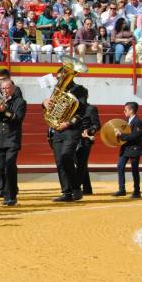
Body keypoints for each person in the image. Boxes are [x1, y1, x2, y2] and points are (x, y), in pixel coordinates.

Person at [43, 68, 87, 202]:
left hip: (71, 129)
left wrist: (68, 124)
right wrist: (44, 104)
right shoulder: (57, 90)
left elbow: (82, 111)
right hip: (57, 130)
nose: (59, 80)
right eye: (58, 78)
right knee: (59, 161)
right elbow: (50, 107)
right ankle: (67, 193)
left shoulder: (80, 90)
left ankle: (75, 187)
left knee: (66, 156)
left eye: (62, 77)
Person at [0, 79, 26, 206]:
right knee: (1, 168)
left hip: (12, 138)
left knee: (10, 166)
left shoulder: (20, 102)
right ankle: (5, 193)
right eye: (2, 89)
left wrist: (5, 111)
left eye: (7, 88)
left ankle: (11, 196)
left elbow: (17, 118)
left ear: (13, 88)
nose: (5, 91)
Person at [113, 102, 142, 198]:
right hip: (125, 148)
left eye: (125, 110)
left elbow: (135, 136)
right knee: (120, 166)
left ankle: (137, 192)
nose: (124, 111)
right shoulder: (126, 120)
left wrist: (121, 135)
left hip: (134, 149)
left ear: (131, 110)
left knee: (134, 170)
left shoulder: (138, 122)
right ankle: (122, 190)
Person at [76, 103, 100, 195]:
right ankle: (87, 188)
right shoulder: (73, 108)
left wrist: (88, 132)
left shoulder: (91, 109)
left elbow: (97, 125)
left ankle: (76, 187)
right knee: (81, 164)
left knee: (81, 163)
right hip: (74, 139)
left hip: (85, 140)